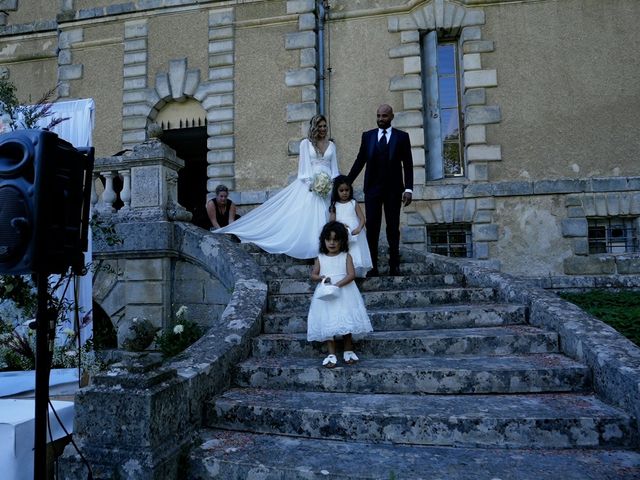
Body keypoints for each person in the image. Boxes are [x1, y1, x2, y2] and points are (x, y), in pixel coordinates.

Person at [214, 114, 340, 259]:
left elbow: (335, 170)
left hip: (328, 189)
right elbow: (303, 170)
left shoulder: (332, 145)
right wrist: (313, 185)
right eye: (320, 126)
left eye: (325, 126)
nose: (323, 129)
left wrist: (331, 186)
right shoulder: (306, 143)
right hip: (310, 186)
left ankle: (325, 251)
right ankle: (314, 249)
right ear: (314, 127)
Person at [347, 104, 413, 277]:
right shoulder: (368, 136)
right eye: (378, 116)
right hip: (372, 190)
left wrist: (408, 189)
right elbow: (360, 161)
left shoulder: (402, 137)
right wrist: (347, 182)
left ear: (392, 117)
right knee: (373, 229)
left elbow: (408, 164)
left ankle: (394, 266)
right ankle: (372, 266)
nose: (380, 119)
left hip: (393, 190)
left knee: (392, 228)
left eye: (384, 116)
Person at [307, 221, 372, 368]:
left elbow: (351, 275)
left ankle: (348, 350)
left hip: (345, 292)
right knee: (328, 321)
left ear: (342, 240)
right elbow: (313, 275)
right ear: (323, 240)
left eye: (336, 239)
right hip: (327, 294)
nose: (332, 243)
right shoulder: (320, 257)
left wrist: (338, 285)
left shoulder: (346, 256)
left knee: (346, 321)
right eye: (328, 239)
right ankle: (331, 353)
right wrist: (323, 278)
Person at [329, 175, 373, 278]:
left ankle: (357, 271)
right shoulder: (334, 205)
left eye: (347, 190)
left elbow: (362, 218)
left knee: (355, 251)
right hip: (342, 233)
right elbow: (331, 222)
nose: (344, 193)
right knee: (344, 251)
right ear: (336, 191)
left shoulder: (353, 203)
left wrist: (359, 228)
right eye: (341, 190)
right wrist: (339, 226)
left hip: (355, 233)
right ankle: (344, 271)